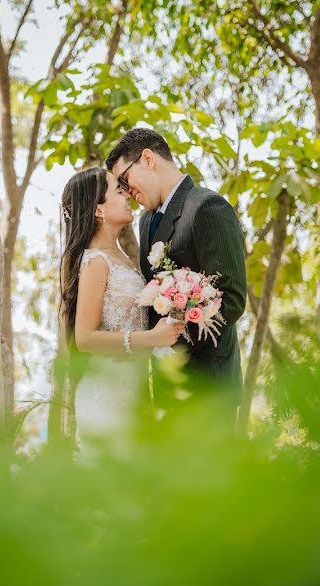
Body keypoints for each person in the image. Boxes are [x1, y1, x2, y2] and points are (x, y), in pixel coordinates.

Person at [106, 128, 247, 405]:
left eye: (125, 179)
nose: (127, 191)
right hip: (163, 390)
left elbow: (232, 300)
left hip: (209, 386)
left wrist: (167, 343)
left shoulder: (208, 207)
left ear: (148, 159)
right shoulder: (145, 222)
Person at [59, 167, 184, 451]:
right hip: (106, 394)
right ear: (98, 210)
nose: (127, 194)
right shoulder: (95, 261)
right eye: (118, 190)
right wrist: (153, 338)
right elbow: (85, 338)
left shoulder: (123, 257)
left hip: (133, 391)